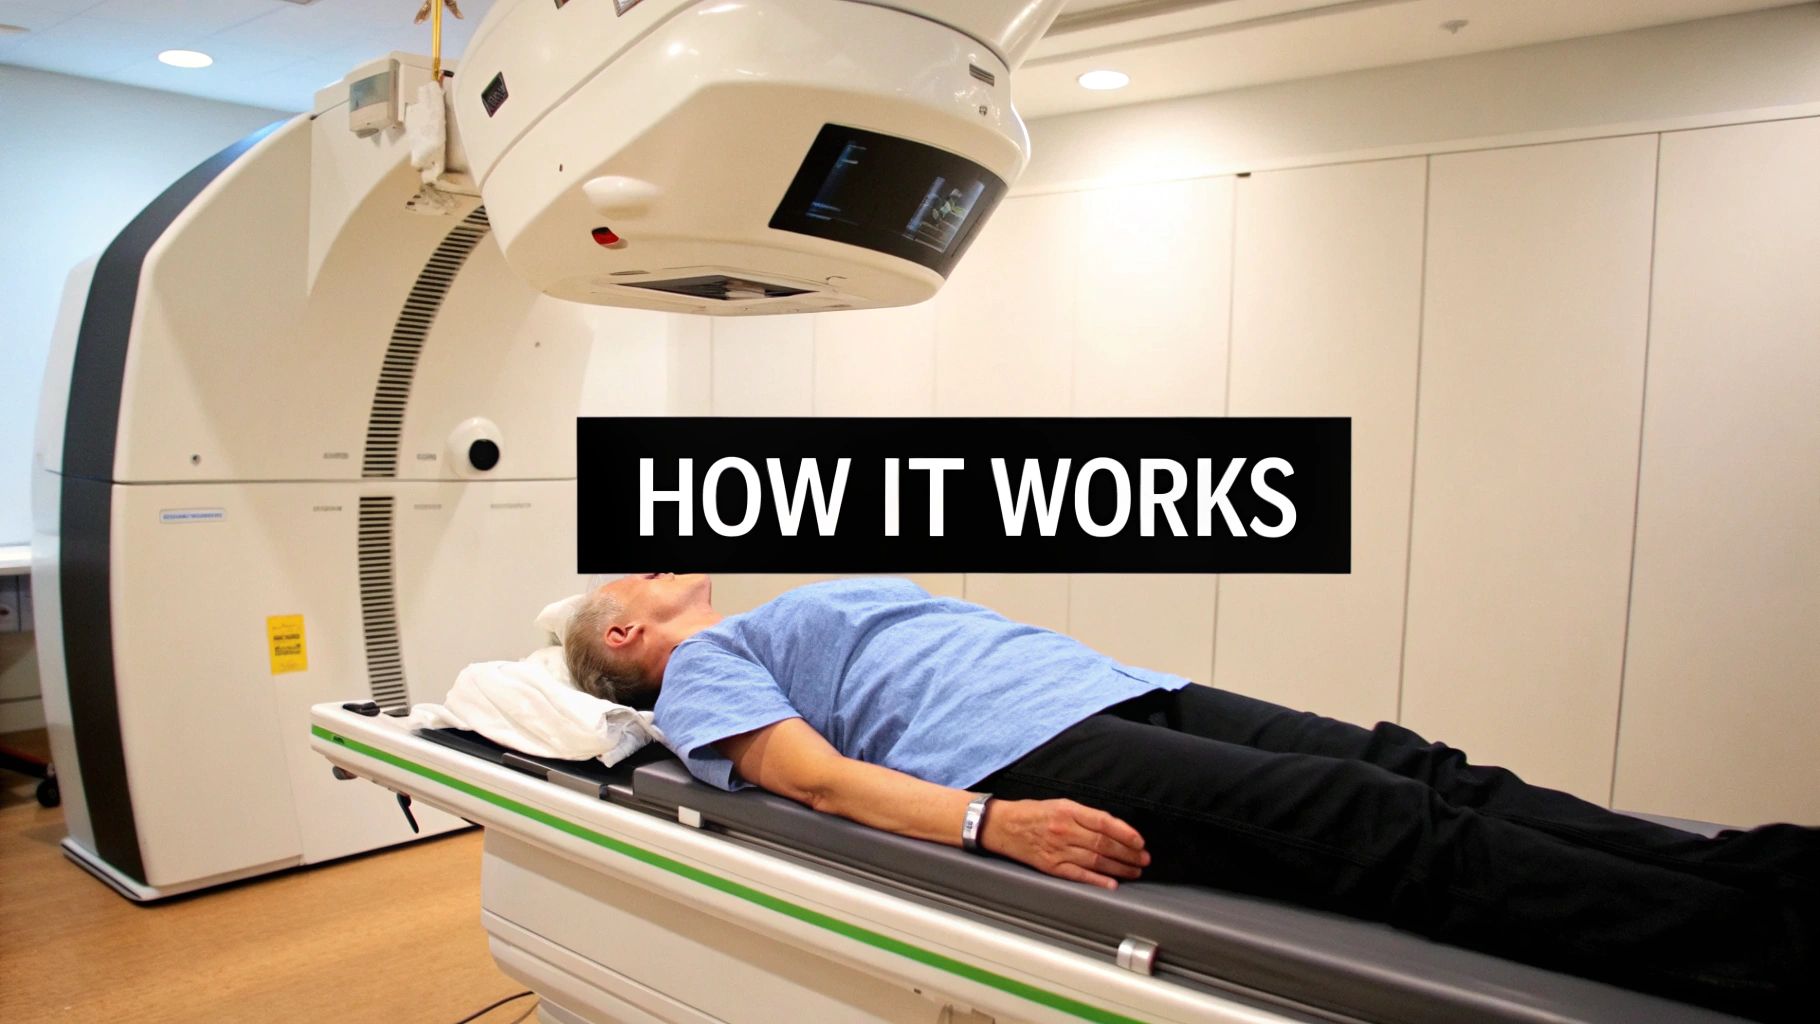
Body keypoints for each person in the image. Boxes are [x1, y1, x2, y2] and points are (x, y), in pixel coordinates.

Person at [564, 573, 1816, 1022]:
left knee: (1413, 766)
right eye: (639, 578)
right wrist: (989, 825)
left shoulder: (766, 616)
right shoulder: (703, 669)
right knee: (1376, 828)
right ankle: (1765, 950)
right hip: (1021, 750)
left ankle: (1763, 869)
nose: (668, 563)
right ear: (625, 626)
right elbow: (814, 780)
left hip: (1117, 689)